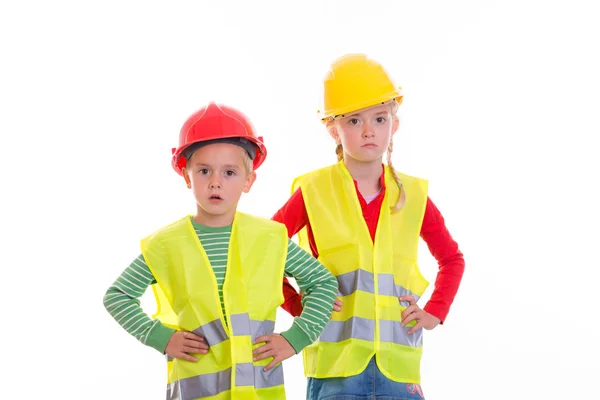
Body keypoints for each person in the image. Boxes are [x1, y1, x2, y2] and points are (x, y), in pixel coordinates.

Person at [103, 102, 338, 400]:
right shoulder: (166, 245)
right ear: (187, 177)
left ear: (248, 181)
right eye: (204, 171)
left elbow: (323, 283)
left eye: (229, 172)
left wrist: (296, 339)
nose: (216, 182)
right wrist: (162, 338)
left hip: (259, 391)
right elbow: (117, 296)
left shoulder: (271, 238)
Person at [274, 54, 465, 399]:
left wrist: (435, 311)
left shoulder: (414, 196)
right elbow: (263, 250)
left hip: (399, 368)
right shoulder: (313, 192)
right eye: (353, 121)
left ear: (394, 123)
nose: (368, 131)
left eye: (379, 118)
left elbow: (452, 259)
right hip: (335, 369)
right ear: (333, 128)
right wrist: (299, 307)